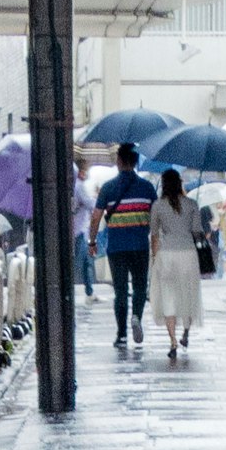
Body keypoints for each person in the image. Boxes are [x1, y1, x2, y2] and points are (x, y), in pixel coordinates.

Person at [93, 145, 156, 349]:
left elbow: (95, 218)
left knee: (120, 291)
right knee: (139, 287)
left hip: (117, 247)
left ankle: (121, 335)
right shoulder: (147, 188)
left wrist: (92, 241)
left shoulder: (108, 188)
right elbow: (155, 219)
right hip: (140, 245)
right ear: (136, 162)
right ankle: (136, 316)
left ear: (119, 161)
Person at [148, 164, 203, 359]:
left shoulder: (157, 206)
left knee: (168, 298)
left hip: (166, 255)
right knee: (187, 294)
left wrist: (155, 259)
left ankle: (172, 341)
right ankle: (185, 332)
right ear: (180, 184)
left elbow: (154, 235)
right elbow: (197, 231)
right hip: (188, 254)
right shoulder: (191, 205)